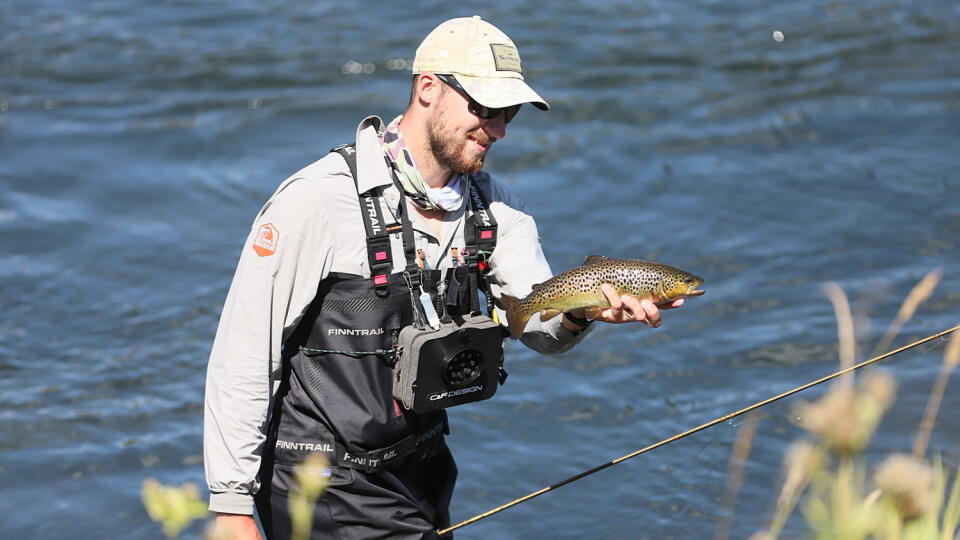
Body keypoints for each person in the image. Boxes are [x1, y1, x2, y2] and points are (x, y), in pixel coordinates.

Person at [204, 16, 684, 540]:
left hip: (424, 476)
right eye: (484, 108)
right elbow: (245, 354)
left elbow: (538, 326)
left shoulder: (501, 213)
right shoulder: (316, 201)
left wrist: (579, 313)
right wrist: (231, 506)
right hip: (323, 485)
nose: (498, 128)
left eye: (510, 113)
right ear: (428, 88)